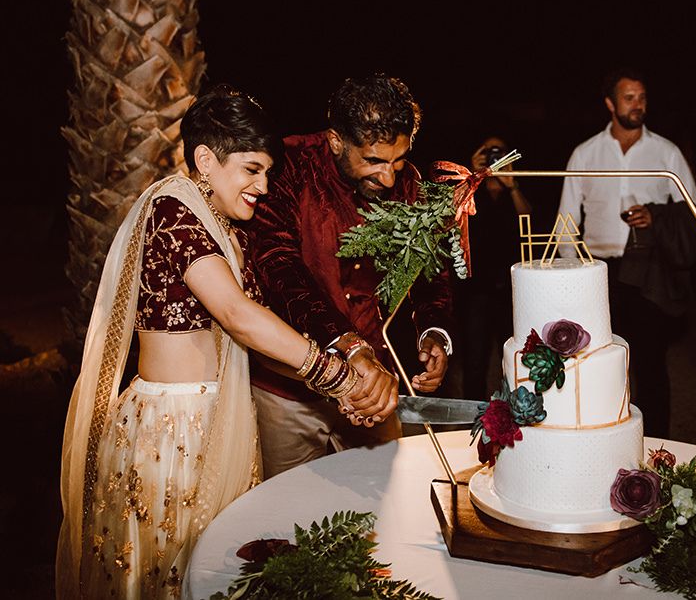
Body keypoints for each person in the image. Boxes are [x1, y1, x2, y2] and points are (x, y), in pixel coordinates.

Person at [56, 84, 397, 599]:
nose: (263, 186)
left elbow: (251, 344)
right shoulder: (173, 208)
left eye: (267, 171)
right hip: (170, 438)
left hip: (219, 429)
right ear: (205, 160)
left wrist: (340, 391)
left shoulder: (227, 231)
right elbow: (240, 317)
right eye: (251, 169)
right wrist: (339, 373)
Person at [248, 74, 454, 478]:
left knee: (381, 510)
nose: (389, 177)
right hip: (289, 391)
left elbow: (431, 271)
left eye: (398, 159)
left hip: (374, 387)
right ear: (336, 140)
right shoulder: (287, 165)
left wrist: (433, 331)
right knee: (284, 515)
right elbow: (278, 265)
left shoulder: (409, 183)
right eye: (374, 161)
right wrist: (347, 346)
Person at [557, 68, 696, 438]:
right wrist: (572, 280)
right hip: (599, 273)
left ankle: (657, 447)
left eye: (642, 97)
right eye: (629, 97)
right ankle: (606, 440)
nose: (638, 104)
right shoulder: (585, 153)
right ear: (610, 104)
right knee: (601, 366)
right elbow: (565, 222)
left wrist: (656, 215)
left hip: (647, 271)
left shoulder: (666, 151)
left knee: (651, 364)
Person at [456, 135, 531, 400]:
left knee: (512, 358)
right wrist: (472, 175)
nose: (494, 158)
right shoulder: (472, 190)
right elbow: (454, 217)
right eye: (488, 152)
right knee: (474, 360)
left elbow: (529, 223)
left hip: (510, 291)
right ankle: (470, 423)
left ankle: (512, 415)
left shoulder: (513, 188)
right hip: (477, 290)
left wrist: (512, 186)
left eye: (499, 152)